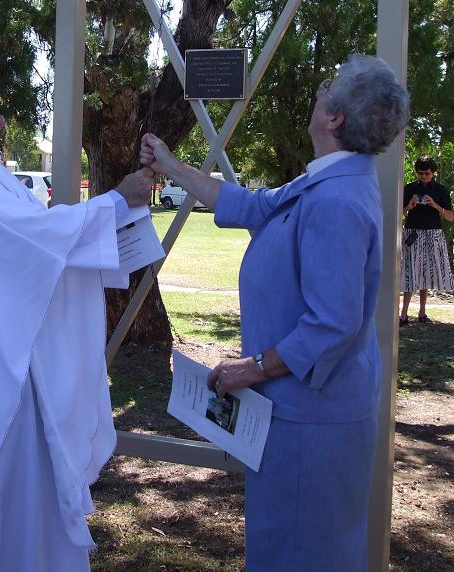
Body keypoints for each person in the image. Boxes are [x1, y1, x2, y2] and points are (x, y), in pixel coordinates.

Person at [140, 54, 409, 572]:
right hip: (298, 417)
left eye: (327, 85)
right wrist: (170, 164)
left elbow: (331, 323)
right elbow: (247, 204)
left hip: (312, 425)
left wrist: (252, 367)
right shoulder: (326, 183)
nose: (318, 89)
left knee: (302, 553)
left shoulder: (336, 199)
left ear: (335, 118)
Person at [0, 69, 153, 571]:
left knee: (31, 517)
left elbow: (41, 248)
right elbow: (40, 241)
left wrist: (118, 210)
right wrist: (116, 201)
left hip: (21, 376)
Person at [399, 156, 454, 325]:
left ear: (433, 173)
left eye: (427, 173)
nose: (424, 176)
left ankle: (422, 312)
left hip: (433, 234)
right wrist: (409, 206)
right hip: (412, 234)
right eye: (421, 173)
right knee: (410, 273)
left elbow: (450, 217)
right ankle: (403, 315)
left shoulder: (441, 190)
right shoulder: (409, 189)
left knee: (426, 273)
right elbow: (397, 213)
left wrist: (435, 206)